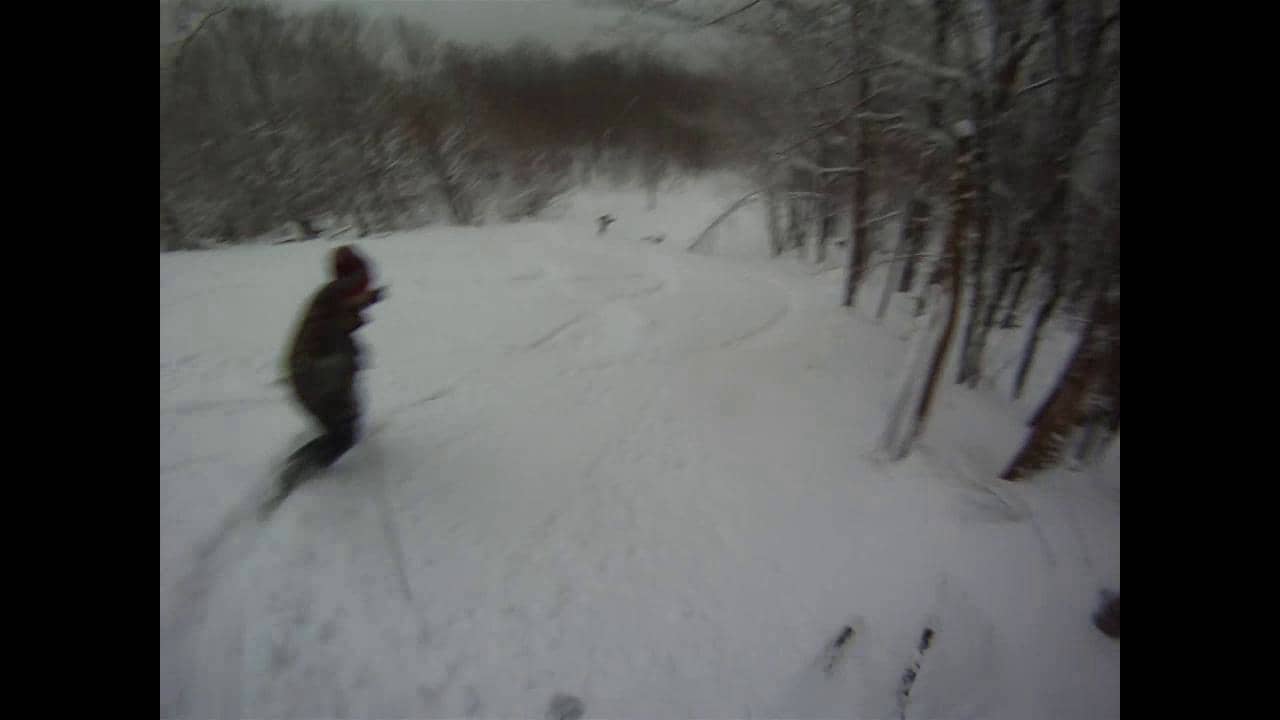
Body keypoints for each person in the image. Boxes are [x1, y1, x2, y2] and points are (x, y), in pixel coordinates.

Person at [277, 245, 386, 493]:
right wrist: (350, 364)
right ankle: (293, 473)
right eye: (364, 285)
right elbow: (338, 345)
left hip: (314, 374)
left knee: (348, 420)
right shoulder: (332, 307)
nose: (366, 288)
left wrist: (372, 297)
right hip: (312, 378)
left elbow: (350, 302)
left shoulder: (335, 296)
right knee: (343, 435)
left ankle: (304, 461)